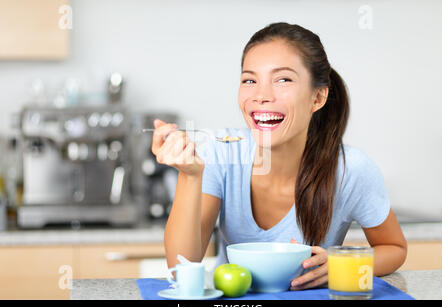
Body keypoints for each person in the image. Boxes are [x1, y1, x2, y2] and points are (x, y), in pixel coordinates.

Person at [151, 22, 407, 290]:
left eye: (283, 79)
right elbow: (182, 269)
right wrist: (190, 176)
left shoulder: (350, 169)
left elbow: (394, 248)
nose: (261, 96)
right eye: (250, 80)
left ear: (318, 97)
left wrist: (342, 264)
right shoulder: (221, 153)